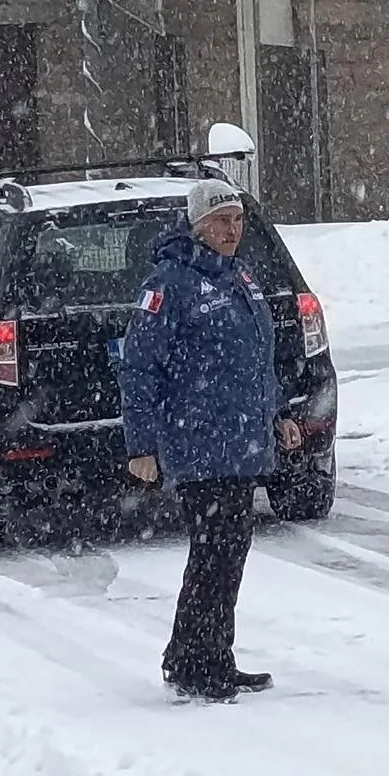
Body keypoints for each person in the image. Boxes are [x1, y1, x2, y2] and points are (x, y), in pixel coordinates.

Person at [118, 177, 304, 704]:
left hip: (241, 444)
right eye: (221, 221)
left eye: (238, 220)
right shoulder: (169, 286)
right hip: (199, 445)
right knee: (213, 553)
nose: (231, 229)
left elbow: (254, 363)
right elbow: (140, 369)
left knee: (228, 553)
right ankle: (197, 663)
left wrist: (277, 415)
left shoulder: (241, 278)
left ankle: (205, 656)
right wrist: (142, 446)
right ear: (197, 225)